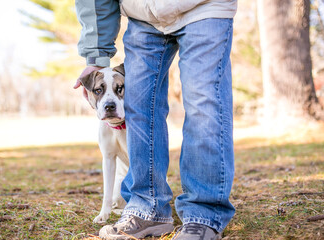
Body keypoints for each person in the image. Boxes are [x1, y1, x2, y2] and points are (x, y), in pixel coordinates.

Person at [74, 0, 237, 239]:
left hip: (204, 6)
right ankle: (146, 208)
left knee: (204, 104)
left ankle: (204, 214)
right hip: (143, 15)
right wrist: (95, 54)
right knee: (138, 107)